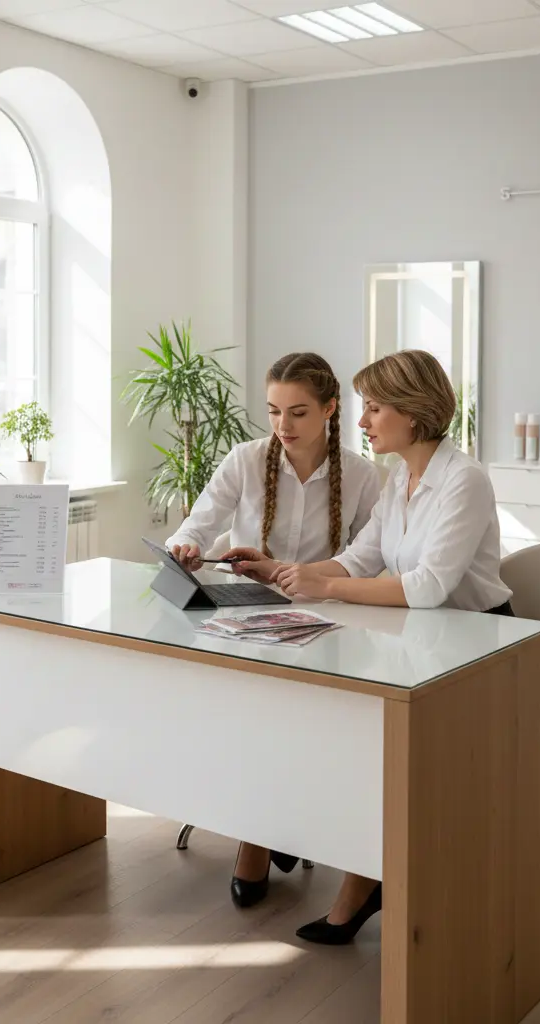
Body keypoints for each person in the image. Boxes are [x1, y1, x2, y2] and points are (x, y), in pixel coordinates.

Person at [227, 349, 512, 945]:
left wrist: (326, 587)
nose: (361, 422)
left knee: (376, 751)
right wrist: (280, 570)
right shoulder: (400, 479)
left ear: (414, 413)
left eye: (375, 409)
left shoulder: (464, 480)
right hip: (423, 638)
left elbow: (428, 587)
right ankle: (347, 862)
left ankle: (361, 880)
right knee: (335, 729)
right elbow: (361, 557)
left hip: (481, 646)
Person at [165, 351, 382, 909]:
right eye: (274, 411)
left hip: (328, 621)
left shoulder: (361, 475)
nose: (283, 425)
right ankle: (259, 835)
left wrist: (307, 578)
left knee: (311, 724)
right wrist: (186, 547)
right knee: (252, 714)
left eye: (299, 412)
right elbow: (197, 524)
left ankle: (274, 830)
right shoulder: (245, 460)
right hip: (248, 617)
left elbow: (369, 557)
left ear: (330, 409)